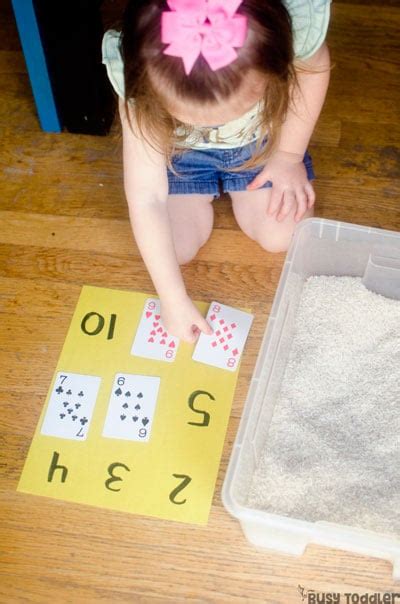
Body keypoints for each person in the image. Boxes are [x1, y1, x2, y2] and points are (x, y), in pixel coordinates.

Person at [102, 0, 331, 342]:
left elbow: (315, 69)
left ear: (276, 62)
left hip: (260, 147)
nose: (215, 126)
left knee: (283, 234)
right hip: (182, 158)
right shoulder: (139, 78)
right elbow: (146, 196)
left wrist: (288, 155)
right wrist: (173, 299)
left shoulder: (289, 30)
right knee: (174, 249)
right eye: (189, 117)